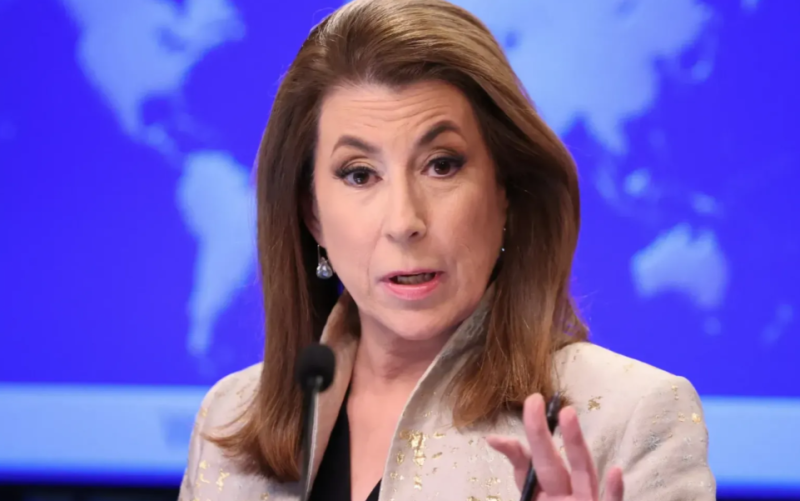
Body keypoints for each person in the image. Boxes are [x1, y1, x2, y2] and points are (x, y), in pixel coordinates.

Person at [179, 0, 715, 500]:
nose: (404, 222)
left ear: (506, 193)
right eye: (360, 174)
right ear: (312, 214)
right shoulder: (229, 421)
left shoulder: (631, 417)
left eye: (441, 165)